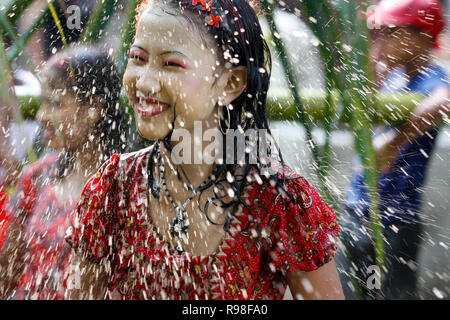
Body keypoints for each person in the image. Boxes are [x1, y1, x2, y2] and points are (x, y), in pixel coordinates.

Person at [65, 0, 343, 300]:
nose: (144, 82)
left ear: (230, 84)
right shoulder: (112, 191)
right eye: (137, 58)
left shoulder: (279, 201)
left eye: (171, 64)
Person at [0, 46, 127, 300]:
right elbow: (5, 273)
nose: (41, 116)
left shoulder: (124, 191)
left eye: (55, 104)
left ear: (94, 109)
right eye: (42, 103)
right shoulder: (36, 177)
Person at [343, 0, 450, 299]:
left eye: (393, 33)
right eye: (381, 33)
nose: (384, 40)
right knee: (352, 292)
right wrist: (378, 57)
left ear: (421, 37)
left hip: (394, 221)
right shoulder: (392, 76)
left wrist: (394, 144)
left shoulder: (433, 79)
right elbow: (358, 101)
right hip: (357, 210)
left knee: (389, 295)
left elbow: (442, 101)